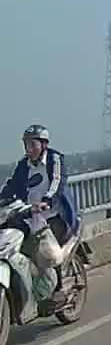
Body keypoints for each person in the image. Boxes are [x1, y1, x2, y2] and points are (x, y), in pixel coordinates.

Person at [0, 124, 79, 305]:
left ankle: (58, 290)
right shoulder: (24, 165)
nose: (29, 149)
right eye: (26, 145)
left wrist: (47, 201)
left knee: (49, 255)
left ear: (44, 144)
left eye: (33, 145)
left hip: (55, 215)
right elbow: (12, 185)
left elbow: (57, 181)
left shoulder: (54, 159)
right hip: (30, 215)